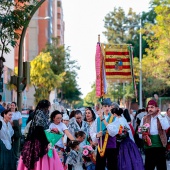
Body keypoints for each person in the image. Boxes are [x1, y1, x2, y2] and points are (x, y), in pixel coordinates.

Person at [17, 99, 64, 170]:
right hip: (38, 141)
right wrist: (46, 140)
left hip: (41, 140)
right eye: (48, 107)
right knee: (39, 160)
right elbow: (39, 129)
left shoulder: (43, 114)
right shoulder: (40, 113)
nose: (48, 108)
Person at [90, 98, 120, 170]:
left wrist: (103, 120)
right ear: (102, 107)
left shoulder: (114, 119)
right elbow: (92, 131)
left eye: (108, 106)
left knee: (112, 166)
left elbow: (113, 132)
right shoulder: (97, 119)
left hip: (111, 146)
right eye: (105, 106)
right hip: (101, 147)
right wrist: (97, 135)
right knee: (100, 166)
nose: (107, 108)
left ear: (111, 107)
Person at [140, 100, 169, 170]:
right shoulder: (144, 118)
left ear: (157, 108)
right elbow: (141, 134)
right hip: (149, 147)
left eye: (152, 107)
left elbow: (166, 127)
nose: (150, 109)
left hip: (160, 146)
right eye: (149, 107)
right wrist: (144, 135)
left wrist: (159, 115)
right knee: (148, 167)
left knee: (161, 167)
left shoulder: (162, 117)